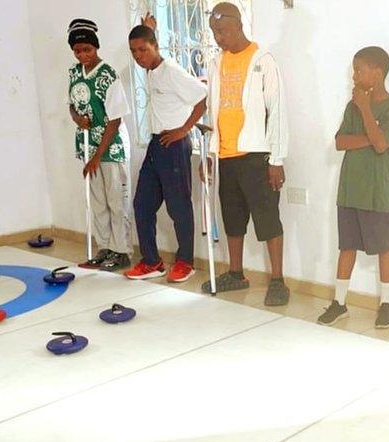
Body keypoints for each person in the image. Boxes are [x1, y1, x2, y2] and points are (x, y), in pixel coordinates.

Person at [200, 2, 290, 306]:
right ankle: (236, 273)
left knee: (268, 219)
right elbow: (214, 111)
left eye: (223, 31)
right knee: (233, 218)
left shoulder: (262, 60)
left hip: (256, 154)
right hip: (226, 154)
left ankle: (278, 280)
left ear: (239, 25)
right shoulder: (216, 64)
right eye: (214, 32)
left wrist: (276, 159)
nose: (219, 38)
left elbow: (277, 111)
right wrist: (210, 156)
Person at [317, 47, 389, 329]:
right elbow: (341, 141)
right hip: (350, 188)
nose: (354, 76)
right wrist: (379, 137)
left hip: (376, 189)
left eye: (359, 70)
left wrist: (368, 113)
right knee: (347, 245)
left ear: (377, 74)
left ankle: (387, 303)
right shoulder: (351, 105)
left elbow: (382, 145)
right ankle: (339, 302)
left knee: (384, 246)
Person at [123, 21, 207, 282]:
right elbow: (146, 43)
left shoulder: (172, 71)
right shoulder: (151, 70)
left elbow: (203, 98)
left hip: (174, 145)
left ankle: (185, 262)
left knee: (178, 207)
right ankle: (152, 262)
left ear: (155, 47)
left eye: (143, 50)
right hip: (156, 144)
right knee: (141, 204)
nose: (138, 56)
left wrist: (184, 130)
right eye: (134, 51)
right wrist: (147, 28)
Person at [67, 18, 133, 272]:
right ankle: (104, 247)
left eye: (87, 50)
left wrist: (97, 156)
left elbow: (115, 119)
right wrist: (76, 118)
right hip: (87, 144)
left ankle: (122, 251)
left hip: (110, 146)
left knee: (117, 202)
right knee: (97, 201)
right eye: (77, 51)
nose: (83, 55)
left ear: (96, 47)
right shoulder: (73, 73)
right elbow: (72, 104)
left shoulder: (108, 75)